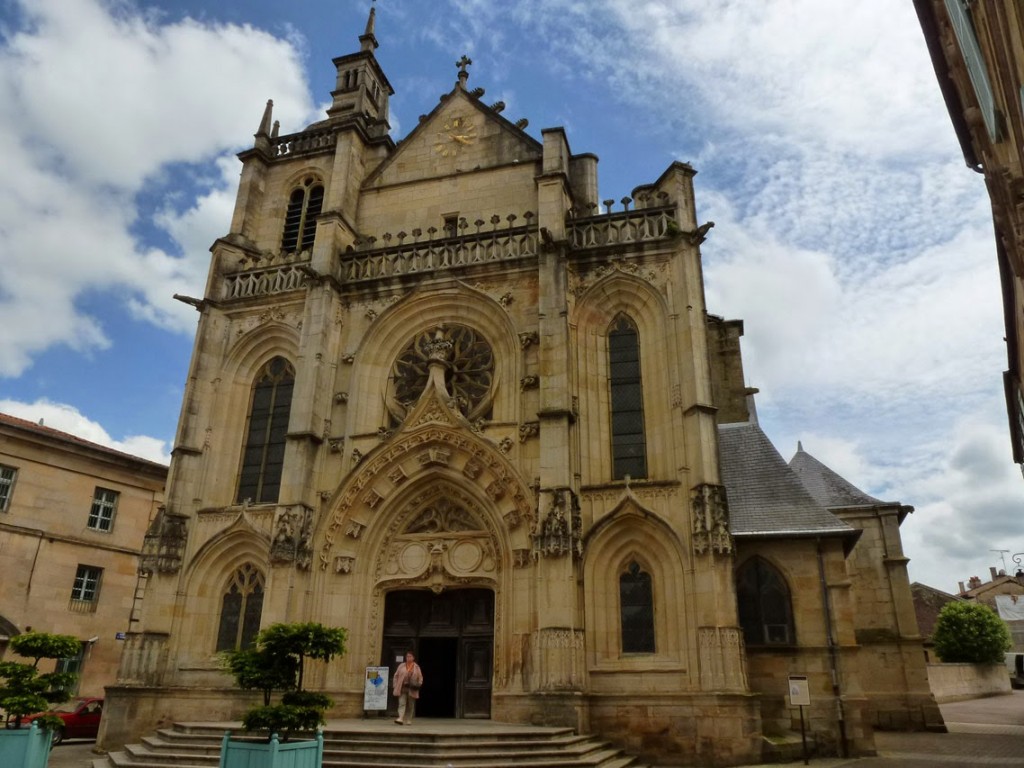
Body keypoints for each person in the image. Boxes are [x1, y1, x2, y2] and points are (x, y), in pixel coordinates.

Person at [392, 650, 423, 725]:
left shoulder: (416, 667)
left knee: (411, 705)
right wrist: (395, 685)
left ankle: (409, 719)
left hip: (412, 688)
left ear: (413, 658)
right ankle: (400, 718)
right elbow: (396, 676)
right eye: (407, 656)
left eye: (410, 656)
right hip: (402, 688)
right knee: (401, 703)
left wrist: (419, 684)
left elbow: (420, 677)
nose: (408, 658)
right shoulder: (401, 666)